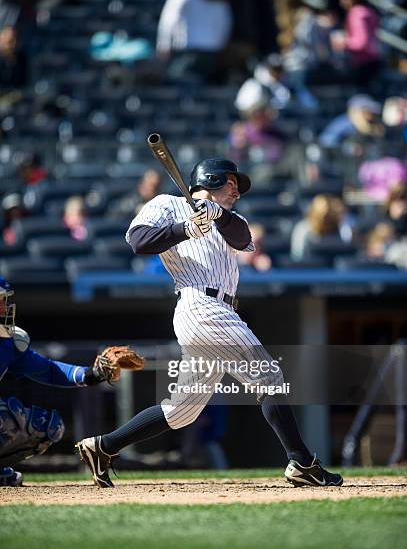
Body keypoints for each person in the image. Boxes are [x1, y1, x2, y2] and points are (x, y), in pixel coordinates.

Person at [76, 158, 343, 488]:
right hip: (199, 304)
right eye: (231, 183)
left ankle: (104, 446)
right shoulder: (169, 204)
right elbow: (138, 241)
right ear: (211, 179)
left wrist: (217, 214)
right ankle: (302, 462)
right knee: (268, 376)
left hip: (218, 310)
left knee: (181, 411)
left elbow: (243, 237)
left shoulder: (231, 219)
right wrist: (183, 229)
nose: (237, 191)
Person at [0, 276, 125, 486]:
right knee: (7, 415)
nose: (5, 307)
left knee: (47, 426)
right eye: (0, 300)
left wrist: (91, 374)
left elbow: (48, 370)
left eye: (4, 300)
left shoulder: (9, 343)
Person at [156, 0, 232, 83]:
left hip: (188, 51)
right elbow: (226, 23)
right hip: (213, 52)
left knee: (180, 86)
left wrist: (163, 44)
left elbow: (169, 20)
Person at [332, 0, 382, 86]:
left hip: (363, 61)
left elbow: (361, 42)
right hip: (373, 58)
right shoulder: (368, 11)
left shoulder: (356, 14)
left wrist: (343, 42)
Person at [290, 194, 353, 261]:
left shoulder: (341, 228)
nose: (324, 216)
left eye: (327, 213)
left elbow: (347, 252)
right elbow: (297, 257)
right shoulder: (302, 229)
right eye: (320, 212)